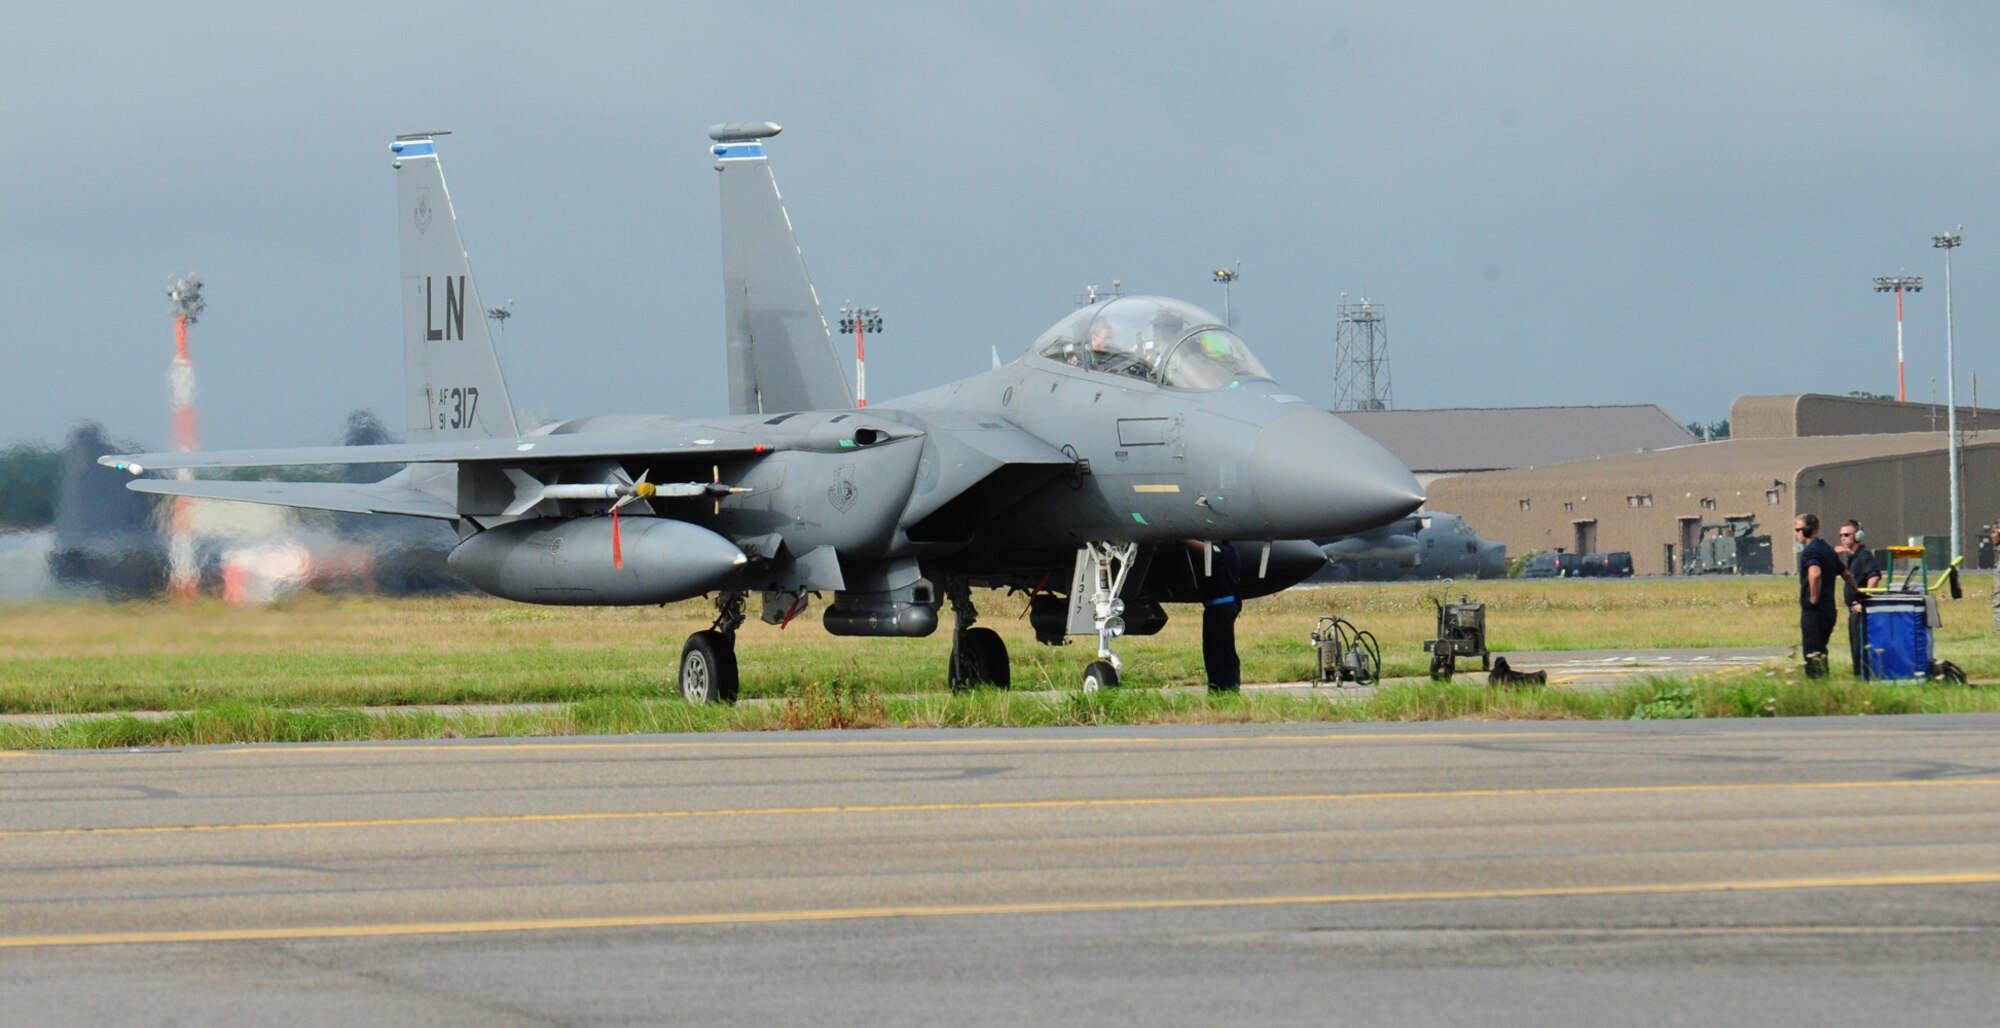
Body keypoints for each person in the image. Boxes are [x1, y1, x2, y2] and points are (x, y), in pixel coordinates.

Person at [1188, 540, 1241, 691]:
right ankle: (1216, 686)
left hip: (1222, 608)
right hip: (1213, 608)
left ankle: (1229, 687)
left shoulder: (1228, 551)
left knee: (1223, 650)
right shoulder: (1224, 550)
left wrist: (1186, 540)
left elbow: (1212, 551)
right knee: (1211, 651)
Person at [1795, 514, 1841, 678]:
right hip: (1829, 610)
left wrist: (1813, 598)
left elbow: (1815, 574)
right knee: (1821, 651)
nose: (1796, 534)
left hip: (1814, 612)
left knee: (1812, 654)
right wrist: (1857, 592)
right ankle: (1823, 684)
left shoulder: (1810, 551)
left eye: (1798, 530)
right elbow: (1846, 573)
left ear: (1807, 530)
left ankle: (1817, 684)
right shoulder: (1827, 549)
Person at [1836, 520, 1882, 677]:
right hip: (1853, 610)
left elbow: (1874, 576)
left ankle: (1864, 677)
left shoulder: (1864, 556)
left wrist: (1865, 602)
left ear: (1858, 536)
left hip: (1860, 610)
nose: (1842, 538)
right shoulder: (1852, 557)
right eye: (1841, 535)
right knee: (1855, 648)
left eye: (1846, 535)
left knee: (1861, 648)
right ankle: (1859, 677)